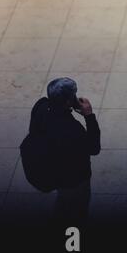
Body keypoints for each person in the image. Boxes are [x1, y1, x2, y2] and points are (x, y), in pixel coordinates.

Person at [29, 77, 101, 226]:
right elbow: (94, 148)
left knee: (63, 203)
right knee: (77, 210)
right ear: (68, 101)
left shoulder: (41, 106)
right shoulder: (73, 130)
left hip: (52, 170)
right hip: (74, 180)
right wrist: (89, 116)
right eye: (73, 95)